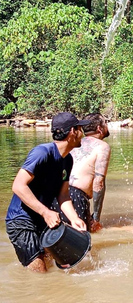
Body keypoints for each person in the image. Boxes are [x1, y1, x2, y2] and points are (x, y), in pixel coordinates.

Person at [5, 112, 90, 272]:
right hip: (21, 220)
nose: (83, 134)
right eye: (80, 129)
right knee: (40, 272)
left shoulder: (67, 159)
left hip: (42, 220)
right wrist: (46, 212)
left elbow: (63, 195)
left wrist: (74, 219)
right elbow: (18, 185)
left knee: (55, 266)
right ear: (73, 131)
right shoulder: (42, 152)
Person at [53, 113, 111, 233]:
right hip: (75, 196)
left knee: (58, 242)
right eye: (106, 123)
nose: (107, 126)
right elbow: (98, 182)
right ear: (100, 129)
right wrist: (96, 219)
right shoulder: (102, 147)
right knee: (83, 245)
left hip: (56, 195)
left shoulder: (74, 143)